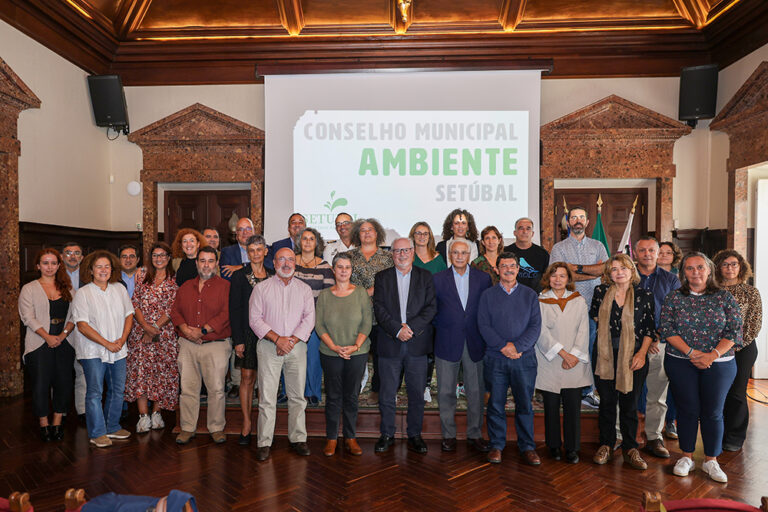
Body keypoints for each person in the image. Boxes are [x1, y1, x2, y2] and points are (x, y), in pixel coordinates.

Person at [660, 251, 743, 483]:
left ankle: (711, 461)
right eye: (689, 268)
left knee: (713, 412)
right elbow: (667, 329)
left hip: (720, 364)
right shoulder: (674, 298)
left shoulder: (724, 297)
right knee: (687, 410)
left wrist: (712, 355)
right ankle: (686, 457)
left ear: (709, 270)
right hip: (680, 362)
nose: (695, 272)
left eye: (700, 267)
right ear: (683, 272)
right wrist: (692, 353)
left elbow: (735, 331)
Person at [249, 247, 315, 461]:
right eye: (281, 260)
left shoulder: (305, 289)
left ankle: (298, 438)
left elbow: (309, 319)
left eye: (290, 260)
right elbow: (255, 320)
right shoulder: (261, 288)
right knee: (267, 397)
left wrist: (290, 341)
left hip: (296, 347)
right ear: (274, 263)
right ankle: (264, 441)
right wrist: (278, 339)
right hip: (269, 346)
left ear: (295, 263)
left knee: (297, 396)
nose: (286, 264)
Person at [590, 254, 655, 470]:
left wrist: (641, 354)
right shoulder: (600, 292)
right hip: (605, 356)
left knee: (630, 403)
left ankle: (630, 448)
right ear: (609, 273)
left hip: (634, 356)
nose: (619, 272)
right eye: (614, 269)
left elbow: (648, 329)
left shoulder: (644, 294)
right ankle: (606, 445)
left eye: (623, 268)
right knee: (607, 402)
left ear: (631, 270)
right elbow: (596, 320)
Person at [372, 238, 437, 454]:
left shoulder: (425, 276)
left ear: (412, 252)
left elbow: (430, 307)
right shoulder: (382, 277)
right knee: (387, 393)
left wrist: (411, 328)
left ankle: (415, 434)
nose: (402, 254)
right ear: (392, 254)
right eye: (397, 251)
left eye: (406, 250)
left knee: (417, 394)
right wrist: (396, 330)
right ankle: (387, 433)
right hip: (390, 343)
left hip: (417, 344)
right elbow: (379, 308)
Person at [478, 252, 542, 465]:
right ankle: (496, 445)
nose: (508, 269)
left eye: (512, 266)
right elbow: (483, 325)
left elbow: (535, 327)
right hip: (495, 358)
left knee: (525, 404)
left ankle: (528, 447)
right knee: (495, 404)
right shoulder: (487, 295)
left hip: (524, 359)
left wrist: (517, 347)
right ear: (497, 269)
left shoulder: (530, 295)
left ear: (518, 269)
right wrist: (503, 347)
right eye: (503, 266)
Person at [432, 239, 492, 453]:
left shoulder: (483, 279)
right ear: (450, 255)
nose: (459, 256)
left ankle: (474, 433)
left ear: (469, 255)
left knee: (475, 392)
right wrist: (448, 326)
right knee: (446, 391)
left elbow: (486, 310)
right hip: (447, 341)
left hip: (475, 341)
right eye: (455, 253)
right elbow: (433, 311)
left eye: (463, 253)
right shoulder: (437, 279)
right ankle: (448, 434)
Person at [71, 250, 134, 448]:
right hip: (93, 352)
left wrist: (122, 340)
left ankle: (112, 426)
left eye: (107, 266)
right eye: (99, 266)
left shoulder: (119, 289)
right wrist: (107, 343)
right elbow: (82, 325)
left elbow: (129, 315)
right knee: (95, 392)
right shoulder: (83, 293)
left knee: (118, 390)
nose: (103, 270)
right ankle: (97, 432)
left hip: (119, 349)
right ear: (90, 270)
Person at [171, 246, 232, 445]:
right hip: (187, 344)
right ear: (197, 263)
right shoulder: (186, 286)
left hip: (215, 344)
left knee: (216, 389)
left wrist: (202, 330)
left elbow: (225, 314)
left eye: (210, 261)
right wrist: (186, 330)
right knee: (188, 388)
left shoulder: (225, 286)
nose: (206, 265)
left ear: (217, 264)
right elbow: (175, 311)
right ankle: (187, 428)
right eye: (202, 261)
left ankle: (216, 428)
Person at [550, 206, 608, 408]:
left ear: (587, 221)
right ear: (568, 222)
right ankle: (564, 389)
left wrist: (576, 268)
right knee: (565, 348)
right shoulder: (559, 248)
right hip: (566, 306)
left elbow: (605, 271)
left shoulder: (598, 245)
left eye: (581, 217)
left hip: (593, 308)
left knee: (587, 348)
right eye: (573, 217)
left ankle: (587, 390)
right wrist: (592, 273)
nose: (577, 220)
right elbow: (560, 275)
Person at [315, 253, 372, 456]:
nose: (344, 270)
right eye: (340, 267)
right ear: (333, 269)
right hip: (331, 353)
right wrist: (335, 347)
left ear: (351, 270)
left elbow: (367, 321)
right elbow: (319, 324)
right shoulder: (324, 295)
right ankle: (331, 438)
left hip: (357, 353)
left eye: (347, 267)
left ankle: (350, 437)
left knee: (351, 397)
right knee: (333, 397)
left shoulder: (361, 293)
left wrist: (355, 346)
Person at [535, 262, 592, 464]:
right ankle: (553, 446)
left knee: (572, 407)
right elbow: (540, 332)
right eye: (554, 275)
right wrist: (563, 354)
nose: (557, 279)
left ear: (568, 279)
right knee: (551, 406)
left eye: (562, 275)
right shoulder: (540, 301)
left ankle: (572, 448)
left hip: (575, 362)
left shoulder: (579, 301)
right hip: (550, 360)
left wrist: (573, 355)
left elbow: (584, 330)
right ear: (547, 278)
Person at [19, 248, 76, 442]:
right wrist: (48, 337)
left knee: (63, 382)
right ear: (38, 266)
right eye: (45, 263)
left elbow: (75, 316)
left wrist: (62, 334)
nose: (49, 267)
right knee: (41, 384)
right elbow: (28, 317)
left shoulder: (68, 288)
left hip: (64, 342)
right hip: (38, 343)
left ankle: (58, 421)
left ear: (59, 266)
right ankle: (44, 424)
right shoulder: (29, 288)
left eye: (53, 263)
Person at [633, 236, 680, 459]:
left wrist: (655, 336)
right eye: (642, 250)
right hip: (630, 345)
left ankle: (654, 437)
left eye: (651, 250)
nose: (647, 254)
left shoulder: (671, 280)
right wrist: (642, 339)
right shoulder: (627, 275)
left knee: (657, 395)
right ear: (635, 253)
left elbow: (675, 312)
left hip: (659, 345)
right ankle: (623, 437)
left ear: (658, 252)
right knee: (625, 392)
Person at [125, 242, 179, 434]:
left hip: (164, 336)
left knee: (160, 373)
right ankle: (143, 415)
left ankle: (157, 413)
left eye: (162, 255)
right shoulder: (141, 276)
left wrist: (155, 328)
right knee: (141, 373)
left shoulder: (174, 278)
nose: (159, 259)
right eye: (155, 255)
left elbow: (173, 308)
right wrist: (146, 327)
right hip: (140, 332)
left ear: (169, 257)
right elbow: (135, 304)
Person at [713, 249, 762, 452]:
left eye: (734, 264)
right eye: (725, 264)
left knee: (736, 393)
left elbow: (754, 324)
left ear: (741, 267)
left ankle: (734, 437)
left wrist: (732, 346)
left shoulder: (751, 292)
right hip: (713, 350)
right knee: (716, 393)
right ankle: (716, 433)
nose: (730, 268)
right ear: (718, 268)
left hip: (742, 349)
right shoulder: (711, 291)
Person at [229, 235, 274, 445]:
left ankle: (265, 426)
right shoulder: (239, 276)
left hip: (270, 334)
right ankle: (246, 423)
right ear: (247, 253)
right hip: (247, 334)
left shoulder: (274, 275)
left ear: (265, 251)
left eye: (259, 249)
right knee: (247, 378)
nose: (256, 253)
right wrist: (238, 340)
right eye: (252, 250)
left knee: (266, 380)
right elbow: (235, 310)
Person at [348, 218, 394, 401]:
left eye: (371, 229)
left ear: (378, 233)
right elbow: (342, 281)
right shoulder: (348, 257)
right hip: (354, 314)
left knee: (380, 355)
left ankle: (376, 389)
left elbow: (392, 282)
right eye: (363, 230)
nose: (367, 233)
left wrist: (372, 291)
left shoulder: (388, 258)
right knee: (355, 353)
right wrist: (362, 294)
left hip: (380, 315)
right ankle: (352, 388)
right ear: (357, 235)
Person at [294, 227, 335, 405]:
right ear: (299, 242)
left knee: (313, 359)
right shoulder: (291, 262)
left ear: (316, 243)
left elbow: (328, 296)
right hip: (291, 321)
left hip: (314, 320)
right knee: (291, 358)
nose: (308, 242)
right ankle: (290, 392)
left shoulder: (325, 266)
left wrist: (316, 320)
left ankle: (312, 393)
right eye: (304, 239)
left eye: (311, 239)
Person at [410, 221, 446, 402]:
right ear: (413, 236)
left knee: (429, 351)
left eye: (425, 233)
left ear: (430, 237)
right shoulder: (407, 256)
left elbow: (444, 286)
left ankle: (425, 386)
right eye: (418, 233)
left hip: (433, 312)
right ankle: (399, 387)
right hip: (409, 311)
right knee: (406, 349)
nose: (422, 236)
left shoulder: (438, 258)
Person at [62, 241, 86, 420]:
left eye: (77, 253)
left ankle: (82, 410)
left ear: (82, 257)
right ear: (62, 257)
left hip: (84, 330)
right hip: (61, 331)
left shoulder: (89, 275)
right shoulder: (55, 275)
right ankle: (60, 410)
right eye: (68, 253)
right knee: (61, 373)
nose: (73, 256)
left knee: (83, 371)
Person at [505, 217, 550, 293]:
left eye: (528, 228)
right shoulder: (505, 253)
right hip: (510, 295)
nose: (525, 231)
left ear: (532, 233)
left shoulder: (543, 254)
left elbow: (548, 278)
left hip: (536, 297)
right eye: (521, 228)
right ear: (514, 233)